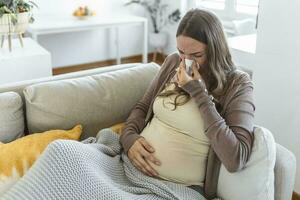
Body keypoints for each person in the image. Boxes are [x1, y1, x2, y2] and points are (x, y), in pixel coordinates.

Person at [119, 8, 255, 199]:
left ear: (215, 50)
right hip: (128, 169)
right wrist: (129, 140)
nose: (186, 62)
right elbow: (142, 108)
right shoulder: (173, 62)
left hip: (176, 190)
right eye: (181, 52)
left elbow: (236, 158)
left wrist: (199, 93)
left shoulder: (237, 84)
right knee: (63, 153)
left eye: (196, 55)